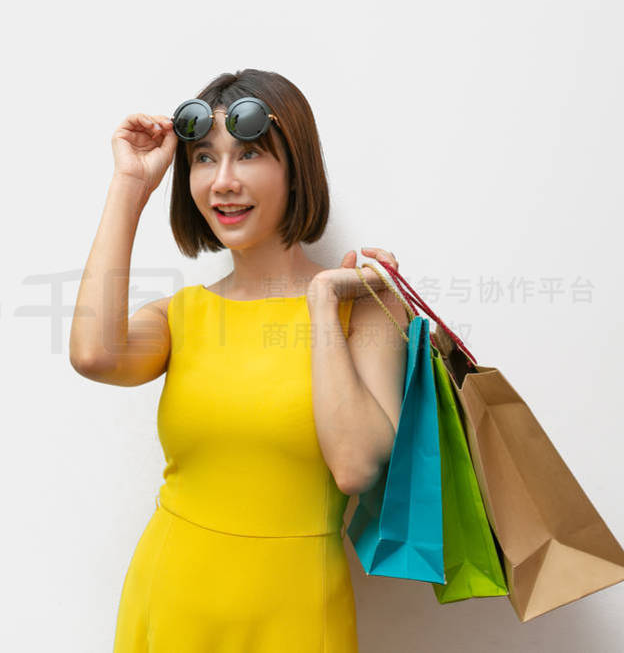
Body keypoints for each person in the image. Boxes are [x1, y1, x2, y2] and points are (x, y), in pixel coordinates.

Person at [70, 69, 410, 652]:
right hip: (171, 599)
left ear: (294, 167)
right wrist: (131, 184)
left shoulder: (366, 308)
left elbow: (356, 468)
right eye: (204, 159)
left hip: (296, 616)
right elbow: (94, 355)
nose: (223, 181)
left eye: (248, 154)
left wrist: (323, 302)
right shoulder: (186, 316)